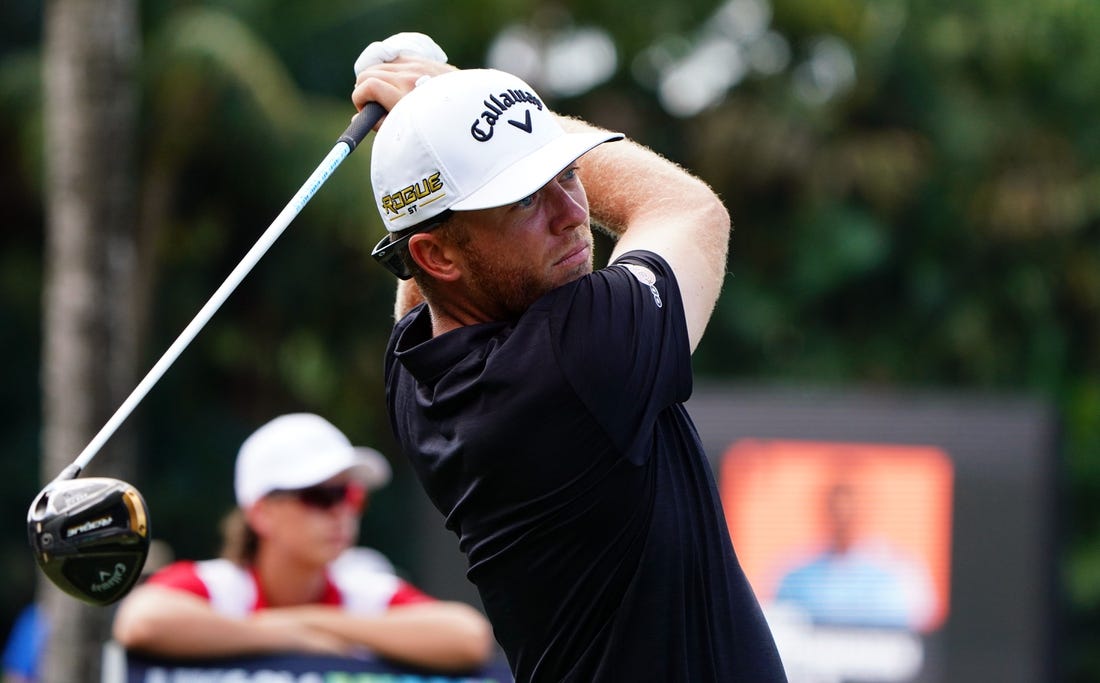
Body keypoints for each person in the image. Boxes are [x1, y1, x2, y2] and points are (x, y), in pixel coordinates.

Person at [351, 36, 787, 682]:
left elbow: (422, 274)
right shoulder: (573, 361)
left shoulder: (417, 375)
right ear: (439, 256)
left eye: (569, 172)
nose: (573, 213)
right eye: (526, 198)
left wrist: (447, 121)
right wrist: (457, 92)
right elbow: (689, 209)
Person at [111, 413, 493, 673]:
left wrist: (310, 621)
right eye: (320, 497)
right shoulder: (217, 586)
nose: (342, 513)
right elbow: (141, 622)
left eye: (350, 496)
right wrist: (292, 636)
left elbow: (468, 637)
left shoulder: (365, 591)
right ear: (261, 513)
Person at [773, 473, 936, 631]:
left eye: (850, 513)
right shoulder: (796, 573)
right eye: (837, 512)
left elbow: (920, 627)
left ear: (864, 512)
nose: (843, 521)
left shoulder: (901, 570)